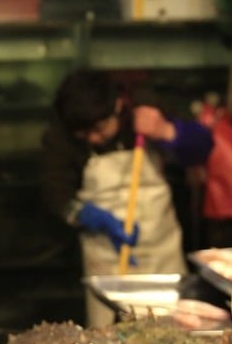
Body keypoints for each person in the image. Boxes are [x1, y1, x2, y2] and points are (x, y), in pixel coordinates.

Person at [40, 68, 213, 327]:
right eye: (84, 134)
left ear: (118, 106)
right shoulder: (62, 133)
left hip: (162, 251)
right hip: (105, 257)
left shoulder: (144, 110)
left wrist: (167, 131)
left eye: (99, 129)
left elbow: (203, 147)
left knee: (172, 332)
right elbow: (55, 193)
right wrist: (86, 214)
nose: (93, 139)